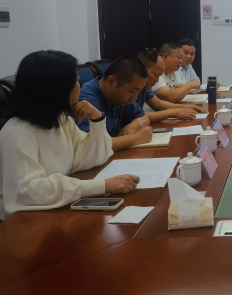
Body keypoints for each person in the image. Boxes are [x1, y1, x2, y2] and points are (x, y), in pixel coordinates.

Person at [0, 51, 139, 220]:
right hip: (21, 222)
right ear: (58, 89)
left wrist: (97, 120)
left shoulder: (61, 120)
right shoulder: (18, 132)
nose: (80, 87)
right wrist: (101, 186)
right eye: (76, 82)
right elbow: (28, 192)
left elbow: (92, 158)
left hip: (55, 210)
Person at [78, 56, 152, 151]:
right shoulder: (87, 100)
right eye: (132, 91)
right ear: (111, 82)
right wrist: (135, 138)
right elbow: (90, 145)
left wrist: (131, 127)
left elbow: (144, 118)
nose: (134, 98)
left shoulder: (119, 98)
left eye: (139, 91)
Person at [137, 49, 207, 122]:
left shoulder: (145, 87)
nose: (157, 80)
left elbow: (158, 103)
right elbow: (136, 116)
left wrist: (186, 107)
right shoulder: (133, 85)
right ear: (142, 70)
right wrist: (173, 112)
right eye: (156, 75)